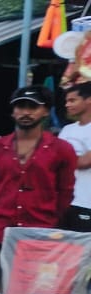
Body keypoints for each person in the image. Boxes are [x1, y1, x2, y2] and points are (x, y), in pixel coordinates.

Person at [0, 85, 77, 272]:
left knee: (32, 291)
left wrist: (48, 216)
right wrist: (1, 206)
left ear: (46, 112)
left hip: (40, 231)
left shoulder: (61, 149)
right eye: (20, 107)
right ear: (13, 112)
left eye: (32, 107)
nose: (25, 112)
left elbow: (65, 191)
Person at [59, 82, 91, 232]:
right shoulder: (67, 129)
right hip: (64, 201)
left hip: (86, 202)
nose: (67, 105)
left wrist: (64, 160)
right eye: (66, 101)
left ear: (88, 100)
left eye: (72, 100)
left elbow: (86, 161)